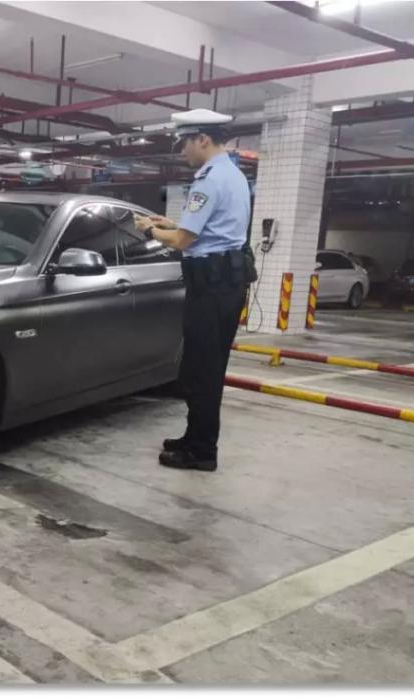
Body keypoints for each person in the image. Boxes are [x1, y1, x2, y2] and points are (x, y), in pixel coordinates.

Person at [135, 108, 252, 473]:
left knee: (203, 370)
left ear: (202, 139)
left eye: (185, 142)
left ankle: (201, 451)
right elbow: (208, 229)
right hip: (224, 284)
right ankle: (194, 437)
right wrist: (171, 222)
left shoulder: (209, 180)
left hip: (211, 287)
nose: (183, 151)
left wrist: (149, 229)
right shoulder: (232, 174)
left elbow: (183, 241)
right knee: (205, 367)